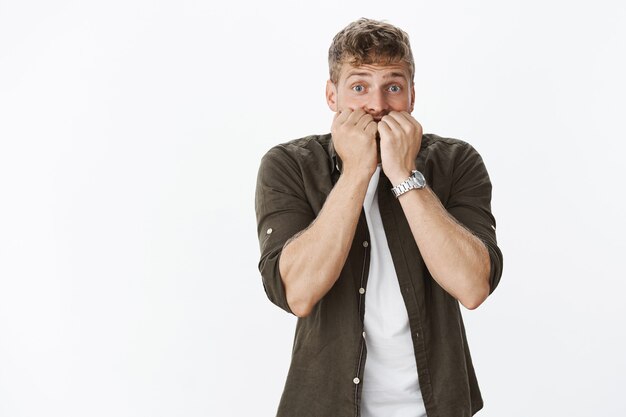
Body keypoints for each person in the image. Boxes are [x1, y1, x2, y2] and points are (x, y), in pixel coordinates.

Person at [255, 17, 503, 417]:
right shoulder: (288, 165)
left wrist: (404, 175)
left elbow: (473, 287)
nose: (377, 105)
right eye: (358, 87)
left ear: (412, 96)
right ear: (331, 95)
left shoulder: (457, 162)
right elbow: (297, 293)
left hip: (438, 406)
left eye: (393, 86)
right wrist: (356, 172)